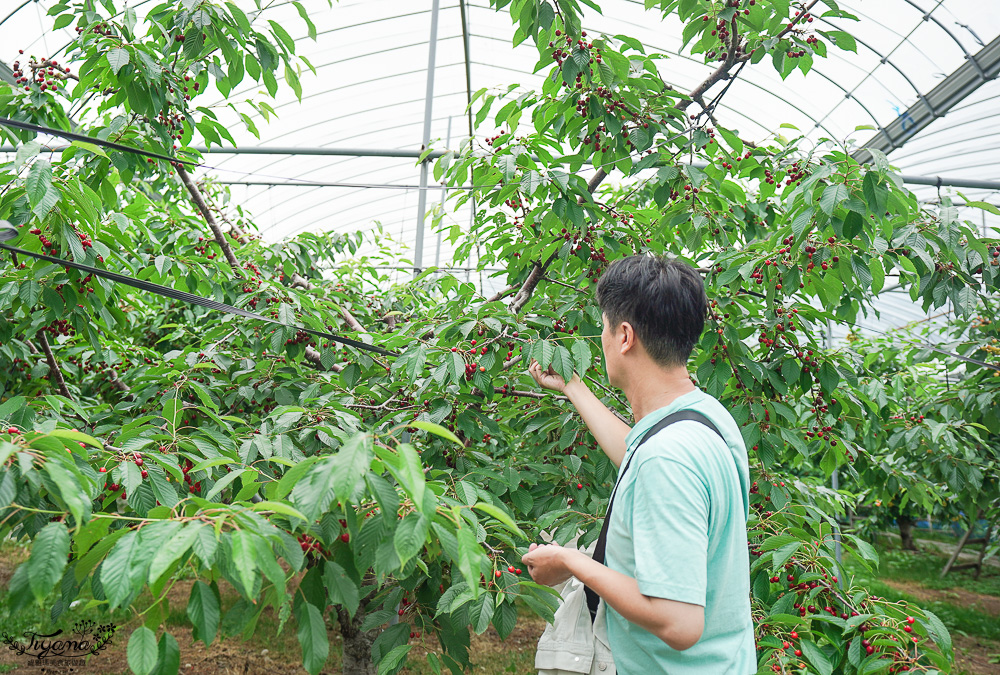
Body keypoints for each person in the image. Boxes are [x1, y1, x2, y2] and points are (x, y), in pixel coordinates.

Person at [523, 254, 756, 674]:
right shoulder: (705, 418)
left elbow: (679, 622)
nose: (603, 337)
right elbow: (639, 448)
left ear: (625, 335)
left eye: (605, 327)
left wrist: (573, 561)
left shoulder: (666, 458)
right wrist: (572, 387)